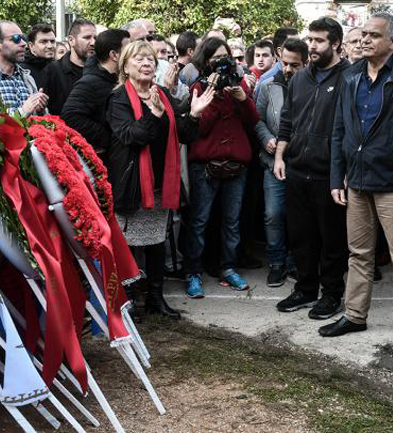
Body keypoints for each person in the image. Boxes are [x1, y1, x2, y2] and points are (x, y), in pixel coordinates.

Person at [321, 12, 393, 360]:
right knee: (358, 254)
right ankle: (354, 315)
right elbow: (339, 130)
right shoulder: (351, 75)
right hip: (356, 181)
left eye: (374, 35)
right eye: (363, 34)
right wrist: (337, 176)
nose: (365, 40)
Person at [107, 40, 213, 318]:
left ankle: (156, 298)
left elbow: (184, 134)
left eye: (150, 59)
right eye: (139, 59)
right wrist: (154, 114)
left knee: (157, 242)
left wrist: (194, 114)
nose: (146, 63)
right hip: (132, 184)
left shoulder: (163, 93)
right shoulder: (118, 98)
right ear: (125, 67)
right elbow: (132, 136)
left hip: (160, 183)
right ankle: (129, 301)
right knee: (129, 245)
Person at [272, 17, 350, 320]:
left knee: (332, 240)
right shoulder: (300, 78)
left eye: (319, 40)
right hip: (296, 169)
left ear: (336, 43)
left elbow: (353, 127)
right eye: (310, 39)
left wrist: (344, 171)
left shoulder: (351, 77)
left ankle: (331, 295)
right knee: (300, 236)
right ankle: (305, 289)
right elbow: (287, 119)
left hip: (329, 174)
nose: (312, 46)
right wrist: (280, 156)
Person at [181, 37, 259, 297]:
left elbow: (253, 121)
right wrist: (211, 96)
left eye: (225, 58)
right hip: (205, 164)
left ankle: (228, 267)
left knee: (232, 221)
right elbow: (200, 128)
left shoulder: (239, 85)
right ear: (205, 61)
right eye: (216, 59)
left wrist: (242, 98)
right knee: (199, 221)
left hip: (237, 163)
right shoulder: (198, 87)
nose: (222, 63)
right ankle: (193, 272)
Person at [254, 37, 308, 287]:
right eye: (284, 63)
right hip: (272, 162)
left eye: (294, 65)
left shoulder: (312, 87)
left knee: (299, 216)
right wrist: (266, 138)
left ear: (305, 63)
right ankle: (276, 262)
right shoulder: (267, 86)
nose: (287, 69)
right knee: (273, 214)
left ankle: (296, 261)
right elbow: (257, 120)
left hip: (302, 163)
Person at [63, 29, 130, 160]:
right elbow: (70, 116)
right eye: (128, 50)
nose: (134, 54)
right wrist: (109, 138)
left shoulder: (120, 80)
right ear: (114, 55)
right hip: (106, 160)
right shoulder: (89, 83)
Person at [0, 20, 48, 117]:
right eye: (16, 39)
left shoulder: (27, 78)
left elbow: (38, 118)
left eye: (23, 38)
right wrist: (23, 111)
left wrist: (40, 110)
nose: (23, 43)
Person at [42, 18, 96, 115]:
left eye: (95, 38)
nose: (93, 43)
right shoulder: (52, 71)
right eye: (87, 38)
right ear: (71, 40)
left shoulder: (102, 70)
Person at [254, 27, 299, 98]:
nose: (300, 48)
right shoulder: (267, 80)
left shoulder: (305, 73)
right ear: (280, 51)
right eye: (294, 46)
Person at [21, 23, 56, 88]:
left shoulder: (58, 67)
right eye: (44, 42)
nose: (50, 46)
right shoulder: (21, 70)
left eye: (52, 41)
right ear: (31, 46)